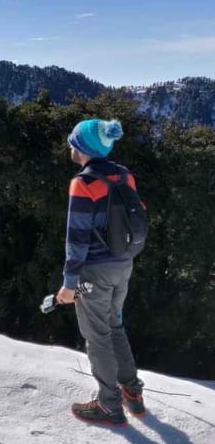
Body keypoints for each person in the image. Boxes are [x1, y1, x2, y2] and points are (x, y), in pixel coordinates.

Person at [56, 118, 145, 426]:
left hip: (94, 273)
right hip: (124, 265)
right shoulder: (124, 175)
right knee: (114, 325)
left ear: (81, 147)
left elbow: (76, 239)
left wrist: (69, 284)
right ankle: (132, 391)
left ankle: (108, 406)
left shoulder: (83, 183)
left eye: (72, 140)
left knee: (98, 336)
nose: (69, 144)